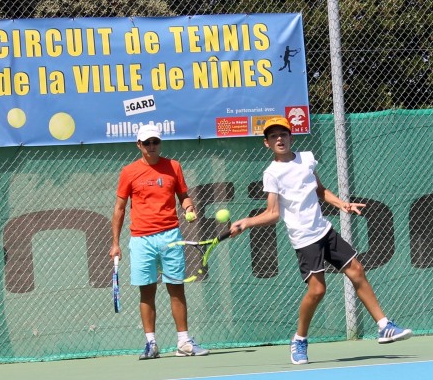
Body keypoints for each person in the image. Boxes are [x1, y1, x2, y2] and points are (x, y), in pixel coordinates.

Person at [229, 116, 412, 365]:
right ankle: (300, 339)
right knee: (317, 290)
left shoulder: (306, 159)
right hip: (304, 239)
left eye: (283, 134)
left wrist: (342, 204)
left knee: (357, 270)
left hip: (324, 230)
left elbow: (320, 190)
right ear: (267, 143)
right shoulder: (271, 173)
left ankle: (384, 326)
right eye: (274, 136)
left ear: (291, 137)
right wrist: (247, 222)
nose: (280, 139)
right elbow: (273, 213)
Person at [109, 124, 209, 360]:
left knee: (176, 289)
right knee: (147, 291)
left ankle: (183, 342)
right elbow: (120, 208)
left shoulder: (173, 166)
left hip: (170, 237)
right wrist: (115, 242)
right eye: (147, 143)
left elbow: (183, 196)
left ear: (160, 143)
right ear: (139, 145)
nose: (151, 146)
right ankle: (151, 344)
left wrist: (189, 207)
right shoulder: (129, 172)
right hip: (141, 239)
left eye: (155, 142)